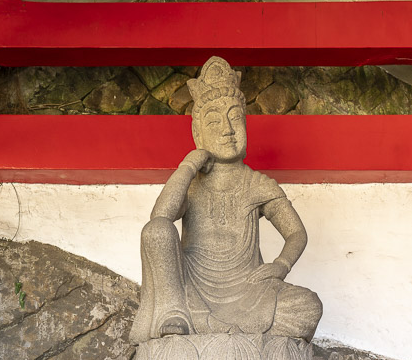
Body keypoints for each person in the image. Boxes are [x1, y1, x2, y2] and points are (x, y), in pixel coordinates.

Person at [130, 56, 323, 345]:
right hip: (191, 287)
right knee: (155, 232)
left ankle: (207, 330)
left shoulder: (257, 184)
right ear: (198, 133)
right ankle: (174, 314)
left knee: (308, 306)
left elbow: (296, 232)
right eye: (214, 121)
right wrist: (187, 166)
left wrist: (281, 265)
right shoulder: (191, 185)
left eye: (235, 118)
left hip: (248, 289)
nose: (227, 129)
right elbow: (161, 217)